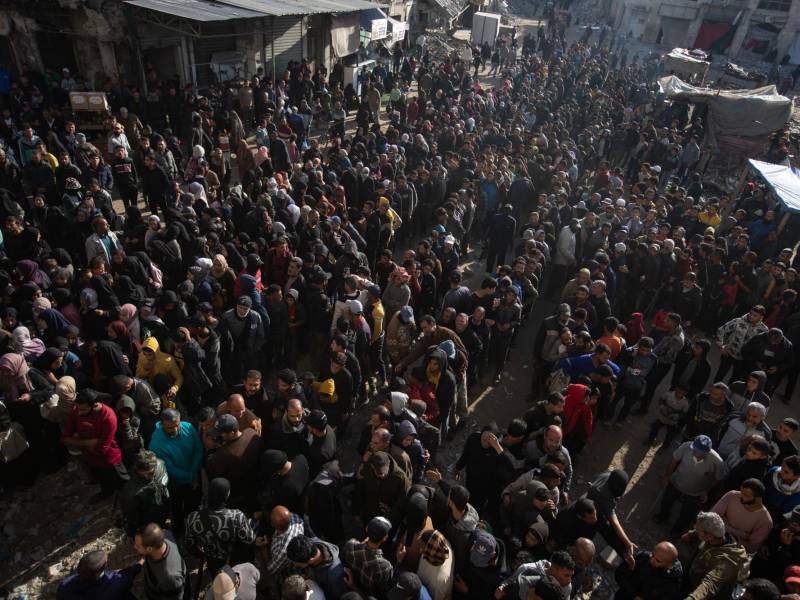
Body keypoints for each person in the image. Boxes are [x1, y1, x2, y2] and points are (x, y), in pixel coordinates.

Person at [63, 388, 128, 504]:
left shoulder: (108, 417)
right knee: (102, 480)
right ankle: (107, 492)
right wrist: (88, 443)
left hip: (110, 459)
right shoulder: (77, 409)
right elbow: (66, 437)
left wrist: (77, 441)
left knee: (123, 483)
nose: (79, 412)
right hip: (90, 457)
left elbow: (102, 448)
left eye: (83, 409)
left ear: (93, 406)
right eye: (77, 408)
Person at [654, 435, 724, 535]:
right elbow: (674, 460)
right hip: (676, 482)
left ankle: (677, 530)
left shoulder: (717, 461)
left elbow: (718, 478)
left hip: (696, 492)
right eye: (696, 450)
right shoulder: (686, 446)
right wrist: (666, 476)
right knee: (666, 501)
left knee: (687, 514)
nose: (697, 454)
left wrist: (706, 491)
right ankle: (663, 516)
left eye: (701, 453)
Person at [148, 408, 203, 536]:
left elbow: (198, 449)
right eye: (170, 427)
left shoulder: (188, 427)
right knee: (176, 508)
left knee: (194, 503)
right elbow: (169, 469)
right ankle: (179, 532)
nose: (175, 430)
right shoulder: (156, 444)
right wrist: (191, 476)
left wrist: (194, 471)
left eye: (177, 425)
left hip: (193, 476)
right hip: (175, 484)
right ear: (162, 424)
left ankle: (193, 525)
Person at [184, 477, 255, 572]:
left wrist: (203, 553)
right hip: (235, 560)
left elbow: (189, 544)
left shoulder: (193, 518)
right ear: (226, 495)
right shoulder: (237, 516)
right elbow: (248, 540)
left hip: (212, 561)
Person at [683, 512, 749, 600]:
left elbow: (709, 584)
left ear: (709, 536)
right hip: (693, 577)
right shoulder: (718, 536)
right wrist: (691, 534)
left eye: (698, 530)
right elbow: (701, 529)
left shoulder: (727, 562)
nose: (695, 528)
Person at [711, 479, 773, 553]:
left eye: (746, 495)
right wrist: (742, 535)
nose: (740, 496)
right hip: (712, 537)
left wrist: (725, 530)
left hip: (732, 552)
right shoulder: (732, 495)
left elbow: (751, 547)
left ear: (758, 499)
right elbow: (712, 516)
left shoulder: (766, 521)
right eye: (741, 491)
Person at [56, 549, 141, 600]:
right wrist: (142, 561)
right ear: (97, 574)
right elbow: (128, 575)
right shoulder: (113, 583)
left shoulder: (64, 586)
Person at [134, 523, 186, 600]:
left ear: (149, 549)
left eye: (138, 546)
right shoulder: (164, 536)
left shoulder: (170, 578)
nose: (134, 547)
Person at [614, 541, 682, 600]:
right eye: (652, 554)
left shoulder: (672, 584)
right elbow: (619, 574)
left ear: (669, 565)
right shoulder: (643, 557)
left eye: (658, 561)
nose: (651, 560)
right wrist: (629, 569)